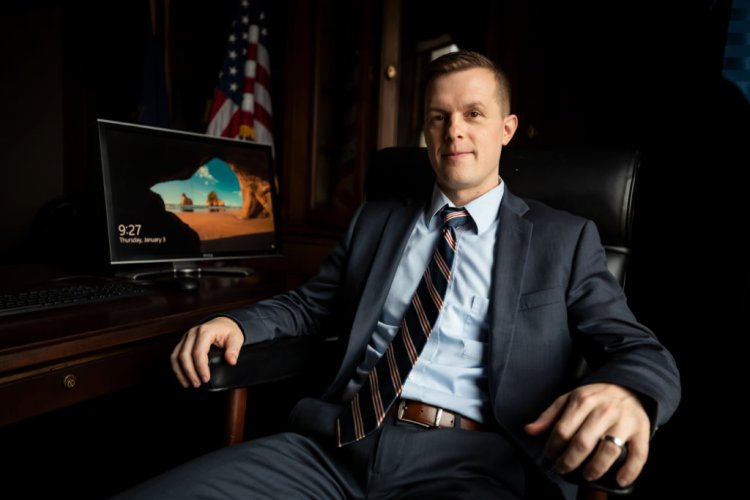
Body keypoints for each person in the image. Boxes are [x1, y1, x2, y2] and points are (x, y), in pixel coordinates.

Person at [117, 50, 680, 499]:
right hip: (335, 446)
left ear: (507, 129)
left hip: (476, 466)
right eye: (439, 117)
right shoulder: (379, 219)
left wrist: (628, 393)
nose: (454, 130)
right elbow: (312, 305)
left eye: (473, 114)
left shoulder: (564, 238)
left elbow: (637, 349)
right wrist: (239, 325)